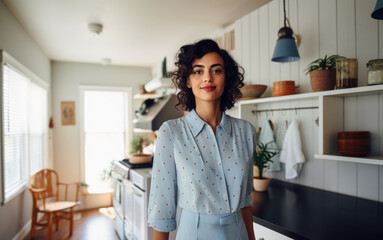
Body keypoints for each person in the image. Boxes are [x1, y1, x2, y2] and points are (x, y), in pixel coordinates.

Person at [148, 39, 256, 240]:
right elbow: (161, 209)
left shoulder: (245, 132)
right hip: (194, 233)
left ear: (226, 78)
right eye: (198, 71)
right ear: (188, 80)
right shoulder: (171, 133)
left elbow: (246, 201)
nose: (207, 77)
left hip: (238, 232)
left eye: (216, 70)